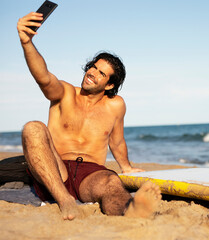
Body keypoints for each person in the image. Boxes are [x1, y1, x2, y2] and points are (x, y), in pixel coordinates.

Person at [17, 12, 162, 220]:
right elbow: (44, 77)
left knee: (111, 184)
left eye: (101, 73)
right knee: (32, 127)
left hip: (90, 173)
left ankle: (131, 210)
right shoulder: (65, 93)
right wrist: (27, 42)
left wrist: (127, 167)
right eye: (93, 67)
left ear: (110, 85)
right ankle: (65, 200)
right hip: (56, 169)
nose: (92, 73)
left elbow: (117, 141)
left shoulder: (116, 106)